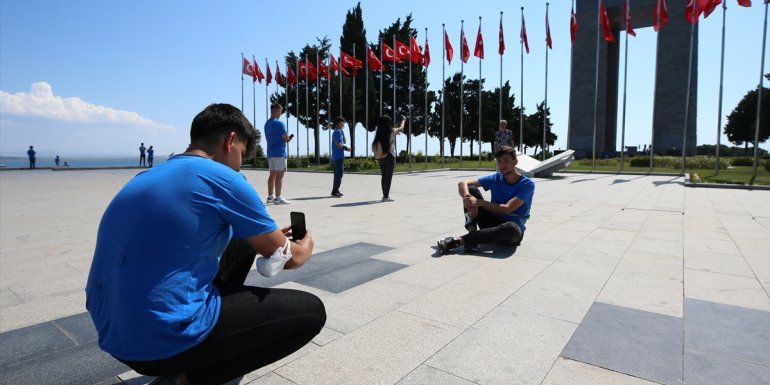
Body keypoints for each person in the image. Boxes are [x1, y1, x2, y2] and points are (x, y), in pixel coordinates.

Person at [85, 103, 326, 385]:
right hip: (162, 339)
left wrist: (267, 236)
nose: (240, 164)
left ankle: (195, 353)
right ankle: (191, 377)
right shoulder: (224, 177)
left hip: (113, 334)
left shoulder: (145, 177)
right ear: (230, 140)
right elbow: (292, 258)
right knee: (311, 312)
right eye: (242, 155)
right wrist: (305, 245)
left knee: (245, 239)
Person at [437, 147, 535, 254]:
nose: (502, 165)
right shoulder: (495, 178)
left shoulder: (527, 184)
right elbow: (463, 183)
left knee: (511, 228)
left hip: (512, 231)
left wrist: (479, 203)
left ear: (515, 162)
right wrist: (469, 200)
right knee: (471, 190)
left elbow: (507, 209)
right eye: (499, 161)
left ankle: (458, 241)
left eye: (506, 160)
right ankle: (472, 232)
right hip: (491, 221)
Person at [265, 103, 293, 204]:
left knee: (272, 175)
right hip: (280, 153)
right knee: (279, 176)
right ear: (277, 110)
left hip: (270, 153)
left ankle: (270, 196)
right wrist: (289, 138)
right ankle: (278, 197)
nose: (280, 114)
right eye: (280, 112)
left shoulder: (267, 124)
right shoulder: (280, 124)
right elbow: (286, 138)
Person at [371, 115, 404, 202]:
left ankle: (385, 195)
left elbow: (394, 131)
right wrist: (403, 120)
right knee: (388, 177)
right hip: (390, 156)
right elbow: (401, 128)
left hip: (381, 156)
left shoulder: (379, 132)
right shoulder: (391, 131)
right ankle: (385, 196)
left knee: (384, 176)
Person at [331, 116, 351, 197]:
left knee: (339, 174)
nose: (344, 124)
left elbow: (344, 141)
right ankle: (334, 192)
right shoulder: (337, 132)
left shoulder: (339, 131)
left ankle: (336, 190)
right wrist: (347, 148)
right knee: (339, 175)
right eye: (342, 122)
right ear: (338, 123)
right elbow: (338, 144)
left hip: (338, 156)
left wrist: (343, 132)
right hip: (338, 157)